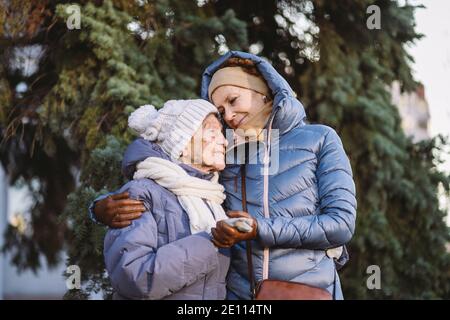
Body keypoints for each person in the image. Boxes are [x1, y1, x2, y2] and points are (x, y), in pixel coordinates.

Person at [93, 51, 357, 300]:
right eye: (220, 111)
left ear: (262, 91)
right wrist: (102, 208)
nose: (228, 116)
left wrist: (259, 228)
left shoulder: (319, 139)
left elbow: (341, 224)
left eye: (233, 100)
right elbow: (172, 170)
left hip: (306, 292)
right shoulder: (228, 153)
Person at [103, 99, 230, 299]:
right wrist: (210, 242)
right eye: (212, 132)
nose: (224, 141)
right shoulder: (142, 193)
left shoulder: (212, 197)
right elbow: (134, 277)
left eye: (221, 133)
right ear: (183, 143)